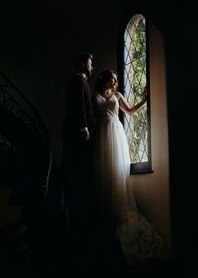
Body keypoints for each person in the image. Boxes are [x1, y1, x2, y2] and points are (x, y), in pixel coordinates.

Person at [92, 69, 170, 266]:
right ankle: (105, 214)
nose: (116, 82)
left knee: (117, 171)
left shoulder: (118, 96)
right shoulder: (95, 95)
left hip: (114, 134)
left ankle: (118, 212)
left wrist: (144, 100)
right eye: (114, 78)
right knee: (104, 172)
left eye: (118, 79)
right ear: (106, 78)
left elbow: (130, 111)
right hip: (101, 135)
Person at [60, 52, 95, 246]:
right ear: (83, 63)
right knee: (74, 169)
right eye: (91, 62)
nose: (92, 66)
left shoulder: (81, 81)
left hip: (80, 135)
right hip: (77, 134)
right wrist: (83, 127)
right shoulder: (77, 80)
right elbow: (78, 105)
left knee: (78, 171)